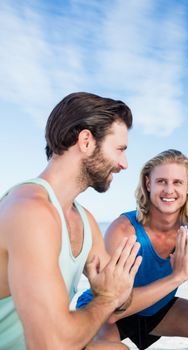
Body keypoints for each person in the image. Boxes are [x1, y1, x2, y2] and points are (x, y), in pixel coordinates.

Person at [0, 92, 142, 349]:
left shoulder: (85, 220)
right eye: (119, 149)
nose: (124, 164)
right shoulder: (30, 211)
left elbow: (122, 297)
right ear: (86, 141)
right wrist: (107, 298)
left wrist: (112, 292)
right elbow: (52, 344)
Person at [77, 149, 188, 349]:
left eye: (177, 182)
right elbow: (114, 309)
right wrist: (177, 277)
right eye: (161, 181)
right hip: (109, 312)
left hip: (157, 309)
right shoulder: (124, 230)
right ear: (148, 184)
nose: (169, 190)